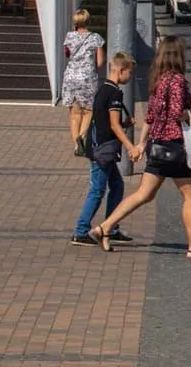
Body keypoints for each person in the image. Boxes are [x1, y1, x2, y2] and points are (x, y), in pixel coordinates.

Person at [97, 36, 191, 260]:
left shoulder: (158, 80)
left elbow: (150, 117)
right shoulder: (177, 81)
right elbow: (177, 113)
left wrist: (142, 143)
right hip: (175, 147)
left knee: (144, 194)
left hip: (157, 146)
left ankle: (104, 227)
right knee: (190, 194)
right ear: (177, 55)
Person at [70, 52, 140, 247]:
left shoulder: (104, 89)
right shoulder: (115, 93)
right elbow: (114, 125)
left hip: (100, 147)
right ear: (121, 70)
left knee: (117, 185)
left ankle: (111, 227)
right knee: (97, 191)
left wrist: (124, 124)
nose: (130, 77)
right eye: (130, 73)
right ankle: (80, 231)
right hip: (103, 150)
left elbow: (106, 123)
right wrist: (131, 146)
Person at [60, 9, 104, 155]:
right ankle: (82, 136)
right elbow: (100, 62)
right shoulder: (96, 38)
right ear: (88, 21)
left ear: (75, 22)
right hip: (87, 78)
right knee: (88, 111)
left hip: (70, 77)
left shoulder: (69, 36)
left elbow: (67, 54)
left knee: (74, 113)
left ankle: (76, 145)